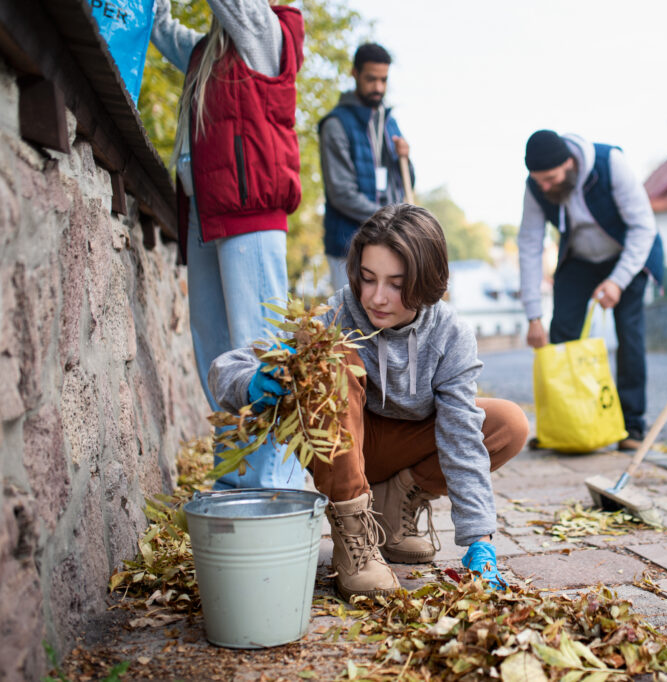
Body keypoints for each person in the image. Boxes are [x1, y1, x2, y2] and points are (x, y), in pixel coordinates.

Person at [209, 204, 529, 598]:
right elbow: (227, 367)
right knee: (332, 359)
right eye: (368, 278)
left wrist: (479, 538)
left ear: (426, 281)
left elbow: (462, 436)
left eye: (396, 284)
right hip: (344, 448)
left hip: (404, 445)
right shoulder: (336, 314)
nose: (377, 297)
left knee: (507, 423)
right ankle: (355, 539)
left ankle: (393, 512)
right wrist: (251, 383)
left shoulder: (451, 335)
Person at [150, 0, 304, 490]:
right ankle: (236, 476)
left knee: (258, 348)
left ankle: (273, 483)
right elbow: (160, 29)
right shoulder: (207, 53)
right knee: (216, 354)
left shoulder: (266, 31)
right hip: (205, 213)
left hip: (250, 213)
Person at [518, 130, 664, 451]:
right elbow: (529, 245)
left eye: (550, 179)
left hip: (628, 254)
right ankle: (564, 422)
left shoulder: (610, 163)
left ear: (569, 163)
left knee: (629, 334)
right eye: (538, 180)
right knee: (562, 331)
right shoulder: (536, 186)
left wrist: (618, 280)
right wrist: (532, 315)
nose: (544, 187)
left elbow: (643, 227)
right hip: (580, 258)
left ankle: (632, 426)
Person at [319, 43, 412, 292]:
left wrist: (406, 159)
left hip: (390, 244)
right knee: (352, 326)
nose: (378, 88)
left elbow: (404, 185)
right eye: (371, 79)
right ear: (355, 74)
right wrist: (390, 220)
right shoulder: (336, 125)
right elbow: (342, 194)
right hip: (349, 248)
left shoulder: (390, 123)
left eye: (383, 80)